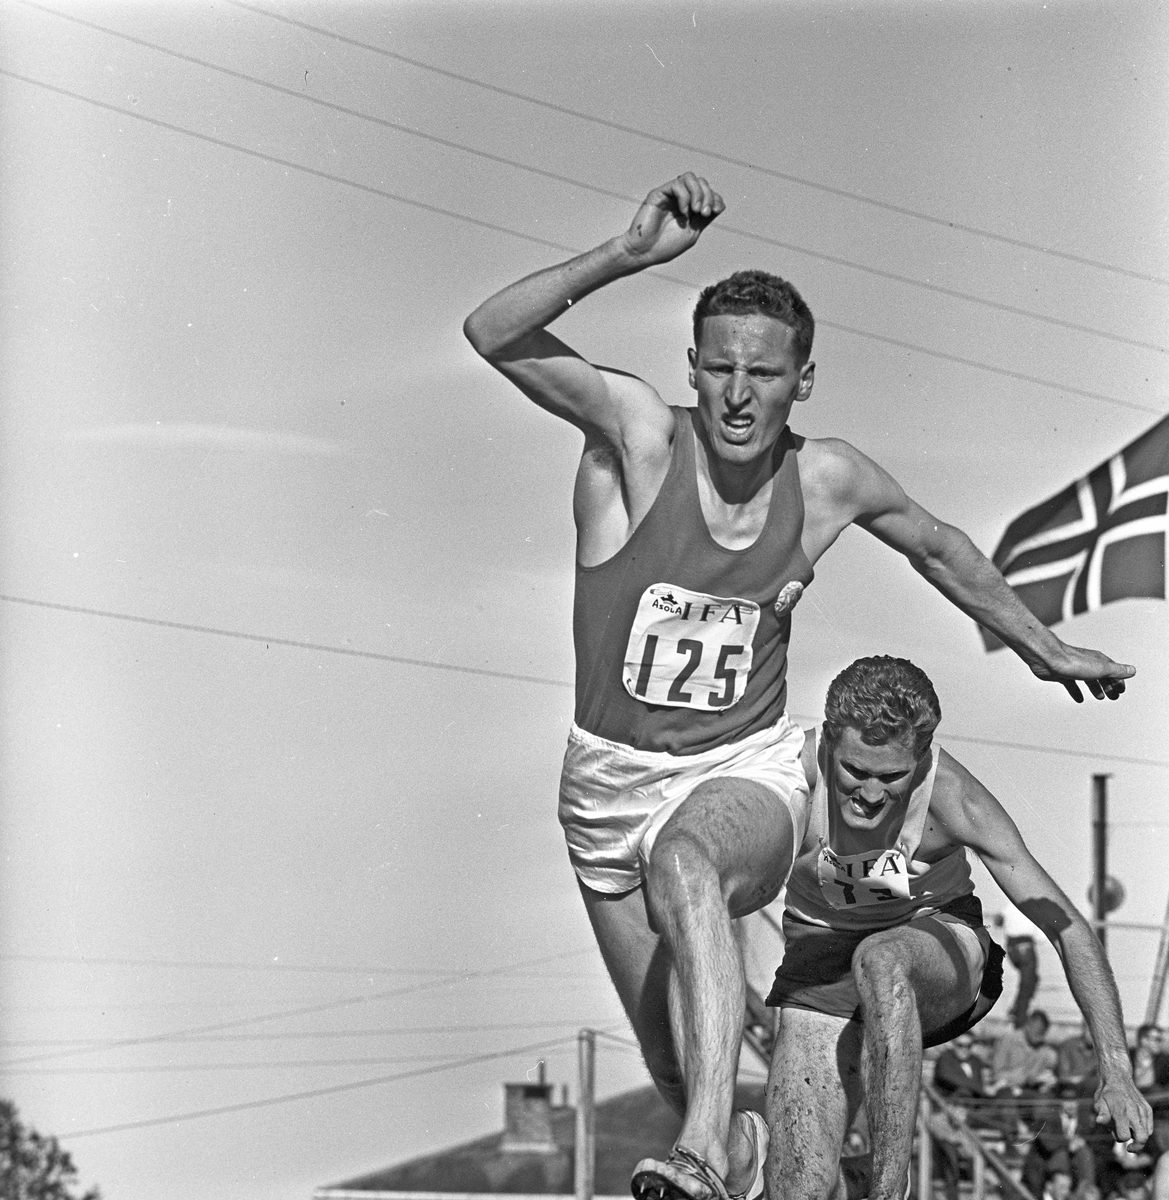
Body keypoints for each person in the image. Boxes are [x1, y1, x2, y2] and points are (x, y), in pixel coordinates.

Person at [463, 173, 1134, 1200]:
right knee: (676, 1057)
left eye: (764, 374)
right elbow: (491, 332)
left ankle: (710, 1143)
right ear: (690, 367)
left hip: (740, 769)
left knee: (688, 863)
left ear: (800, 381)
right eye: (719, 369)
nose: (738, 395)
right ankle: (734, 1146)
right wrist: (625, 256)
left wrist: (1040, 647)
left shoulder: (823, 480)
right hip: (605, 786)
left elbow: (938, 548)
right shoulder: (642, 441)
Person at [762, 656, 1150, 1200]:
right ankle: (782, 1164)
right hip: (819, 959)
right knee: (799, 1189)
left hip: (934, 944)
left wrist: (1117, 1069)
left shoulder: (954, 798)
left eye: (892, 777)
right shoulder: (784, 776)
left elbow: (1068, 927)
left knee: (881, 958)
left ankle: (890, 1188)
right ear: (829, 740)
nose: (871, 795)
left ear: (921, 758)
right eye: (856, 771)